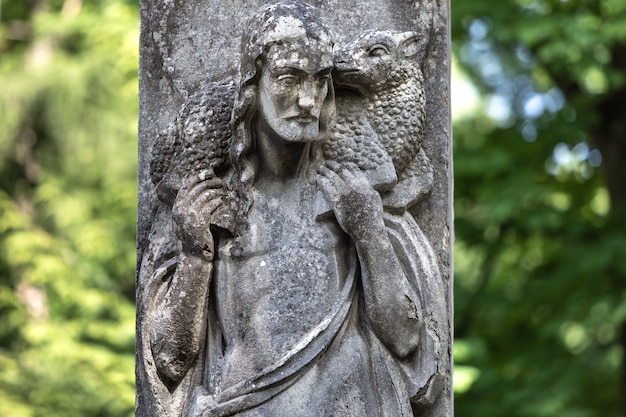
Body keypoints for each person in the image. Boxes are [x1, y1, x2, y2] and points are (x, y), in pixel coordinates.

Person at [137, 2, 446, 416]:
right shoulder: (208, 204)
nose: (306, 100)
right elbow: (170, 361)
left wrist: (369, 231)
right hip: (243, 404)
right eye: (288, 78)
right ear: (252, 86)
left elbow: (407, 339)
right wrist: (196, 255)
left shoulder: (353, 194)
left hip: (350, 402)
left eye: (319, 82)